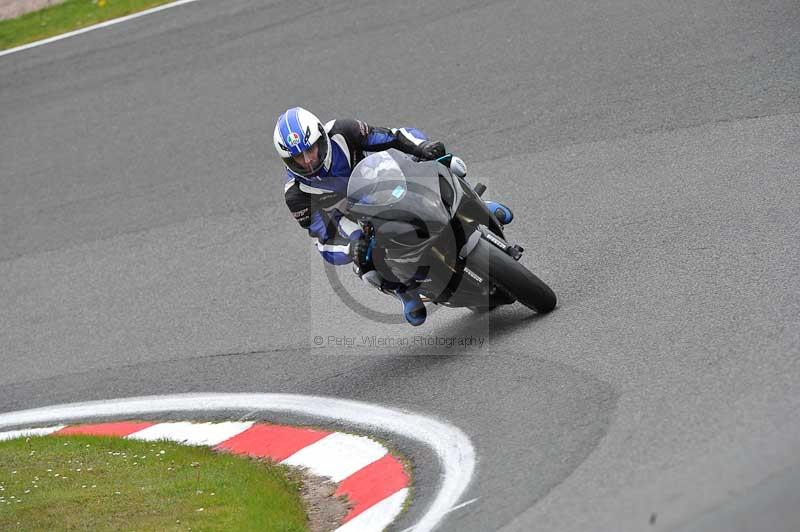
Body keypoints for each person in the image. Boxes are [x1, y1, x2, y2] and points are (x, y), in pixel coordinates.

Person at [274, 106, 513, 325]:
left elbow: (394, 136)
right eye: (298, 157)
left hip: (388, 176)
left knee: (447, 164)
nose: (307, 160)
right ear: (288, 160)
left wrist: (421, 147)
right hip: (357, 217)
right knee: (363, 265)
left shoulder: (343, 130)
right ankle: (405, 292)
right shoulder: (297, 195)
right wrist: (350, 247)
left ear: (320, 138)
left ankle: (477, 203)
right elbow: (324, 237)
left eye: (310, 149)